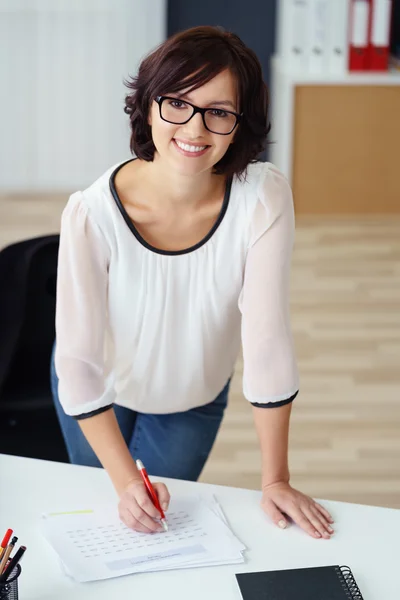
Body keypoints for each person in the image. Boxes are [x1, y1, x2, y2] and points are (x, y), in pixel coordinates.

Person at [51, 25, 334, 540]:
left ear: (240, 122)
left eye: (219, 111)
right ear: (149, 104)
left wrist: (276, 479)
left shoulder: (263, 198)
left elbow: (267, 343)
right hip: (98, 393)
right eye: (177, 102)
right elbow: (78, 363)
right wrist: (121, 481)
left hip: (192, 399)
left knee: (154, 529)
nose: (195, 128)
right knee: (111, 521)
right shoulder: (91, 214)